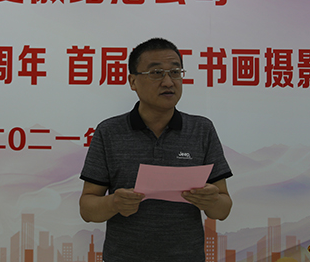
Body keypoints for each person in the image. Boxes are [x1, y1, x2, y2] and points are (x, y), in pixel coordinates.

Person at [79, 38, 232, 262]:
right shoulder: (109, 132)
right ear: (133, 81)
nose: (168, 82)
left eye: (175, 72)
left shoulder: (201, 130)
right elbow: (87, 209)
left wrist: (211, 201)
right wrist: (114, 203)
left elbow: (223, 209)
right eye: (156, 73)